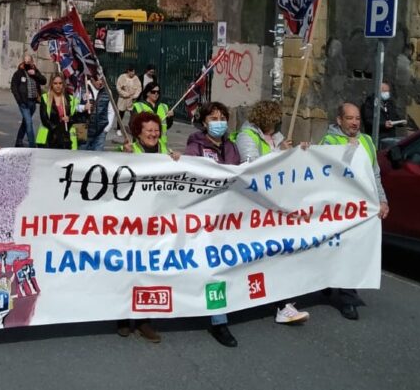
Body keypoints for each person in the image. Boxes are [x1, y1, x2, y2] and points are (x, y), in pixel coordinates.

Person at [235, 100, 310, 325]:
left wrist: (298, 151)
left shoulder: (277, 137)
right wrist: (280, 153)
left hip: (278, 205)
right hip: (256, 205)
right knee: (259, 254)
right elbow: (251, 166)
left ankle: (282, 304)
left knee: (279, 252)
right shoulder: (246, 136)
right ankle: (259, 296)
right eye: (274, 118)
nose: (277, 122)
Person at [320, 103, 390, 321]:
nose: (354, 123)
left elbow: (374, 173)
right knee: (334, 250)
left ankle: (348, 298)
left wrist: (382, 200)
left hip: (360, 209)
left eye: (357, 118)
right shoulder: (329, 141)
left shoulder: (367, 141)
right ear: (339, 120)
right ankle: (327, 281)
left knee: (352, 251)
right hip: (336, 209)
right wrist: (349, 148)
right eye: (349, 118)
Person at [117, 111, 180, 343]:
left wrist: (179, 161)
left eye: (156, 130)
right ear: (138, 133)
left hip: (156, 224)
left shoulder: (165, 151)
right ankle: (123, 317)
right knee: (128, 269)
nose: (154, 134)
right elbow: (113, 172)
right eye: (149, 130)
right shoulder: (129, 150)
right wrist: (123, 156)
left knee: (149, 270)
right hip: (130, 222)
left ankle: (144, 320)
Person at [185, 101, 240, 347]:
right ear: (204, 122)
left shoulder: (232, 146)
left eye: (222, 117)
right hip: (204, 216)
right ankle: (219, 321)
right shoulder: (195, 146)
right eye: (213, 117)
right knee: (213, 266)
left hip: (229, 215)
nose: (219, 122)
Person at [10, 53, 47, 148]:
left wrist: (35, 74)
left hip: (33, 102)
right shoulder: (19, 73)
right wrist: (19, 100)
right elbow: (14, 87)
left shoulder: (34, 71)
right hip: (24, 102)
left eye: (28, 61)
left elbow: (44, 81)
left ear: (32, 62)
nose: (27, 63)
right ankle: (32, 145)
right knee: (29, 123)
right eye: (25, 61)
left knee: (25, 122)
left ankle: (19, 141)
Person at [37, 72, 81, 150]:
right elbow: (44, 119)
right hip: (50, 138)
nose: (58, 86)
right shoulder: (45, 98)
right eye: (55, 83)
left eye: (60, 83)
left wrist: (69, 118)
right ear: (51, 84)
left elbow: (75, 117)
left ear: (63, 84)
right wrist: (56, 130)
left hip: (66, 138)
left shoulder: (69, 99)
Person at [132, 82, 174, 149]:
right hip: (143, 144)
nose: (156, 94)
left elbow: (167, 126)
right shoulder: (139, 106)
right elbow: (133, 126)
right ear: (147, 93)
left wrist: (170, 118)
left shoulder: (164, 106)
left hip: (160, 145)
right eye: (153, 92)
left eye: (158, 92)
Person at [81, 75, 115, 151]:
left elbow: (111, 111)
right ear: (92, 78)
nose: (100, 82)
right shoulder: (83, 88)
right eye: (97, 80)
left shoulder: (107, 91)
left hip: (101, 132)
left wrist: (106, 129)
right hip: (85, 131)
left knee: (98, 157)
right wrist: (83, 107)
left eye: (102, 80)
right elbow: (75, 106)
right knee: (82, 156)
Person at [115, 67, 142, 137]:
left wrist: (135, 96)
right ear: (128, 71)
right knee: (121, 114)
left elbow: (139, 88)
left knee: (134, 115)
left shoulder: (136, 78)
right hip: (123, 99)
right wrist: (125, 94)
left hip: (132, 99)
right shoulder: (122, 77)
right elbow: (118, 87)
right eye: (132, 71)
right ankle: (118, 129)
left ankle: (133, 129)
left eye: (134, 72)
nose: (133, 73)